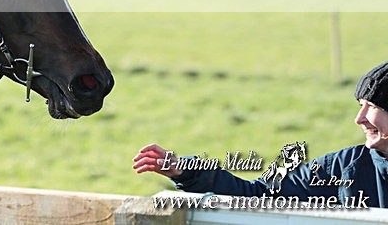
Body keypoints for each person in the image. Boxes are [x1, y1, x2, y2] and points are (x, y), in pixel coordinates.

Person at [132, 61, 388, 208]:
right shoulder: (341, 168)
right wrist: (186, 171)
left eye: (373, 107)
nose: (360, 119)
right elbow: (260, 197)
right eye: (360, 106)